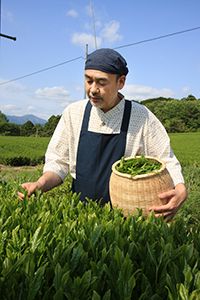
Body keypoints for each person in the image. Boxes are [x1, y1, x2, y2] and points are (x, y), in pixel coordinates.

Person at [18, 48, 187, 220]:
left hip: (127, 219)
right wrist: (40, 184)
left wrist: (180, 189)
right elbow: (59, 163)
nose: (93, 90)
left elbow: (166, 159)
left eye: (102, 82)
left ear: (121, 82)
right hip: (79, 216)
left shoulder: (141, 116)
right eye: (88, 80)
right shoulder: (74, 113)